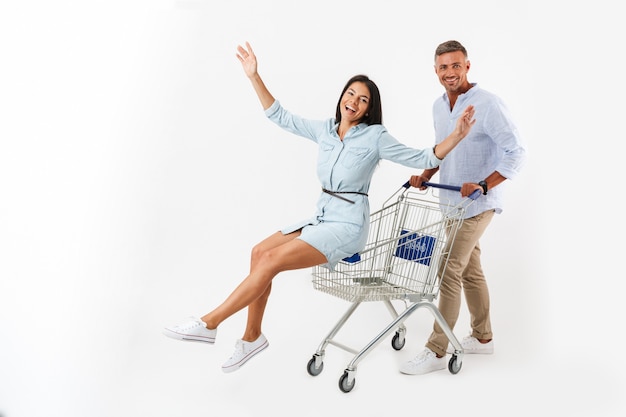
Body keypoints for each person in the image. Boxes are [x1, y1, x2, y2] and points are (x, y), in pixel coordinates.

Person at [163, 41, 476, 373]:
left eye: (363, 99)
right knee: (259, 253)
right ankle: (252, 337)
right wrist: (254, 76)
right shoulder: (325, 130)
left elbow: (423, 157)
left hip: (347, 227)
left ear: (369, 109)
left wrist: (456, 135)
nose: (354, 102)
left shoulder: (375, 137)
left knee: (271, 261)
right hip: (321, 216)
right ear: (342, 96)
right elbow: (279, 116)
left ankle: (210, 323)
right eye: (351, 94)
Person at [399, 40, 527, 375]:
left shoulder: (489, 104)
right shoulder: (438, 107)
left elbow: (517, 152)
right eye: (444, 67)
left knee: (449, 266)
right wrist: (425, 175)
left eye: (456, 66)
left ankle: (437, 349)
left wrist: (484, 184)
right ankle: (483, 338)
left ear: (467, 66)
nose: (450, 72)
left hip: (479, 204)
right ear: (436, 71)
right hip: (449, 203)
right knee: (470, 270)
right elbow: (444, 151)